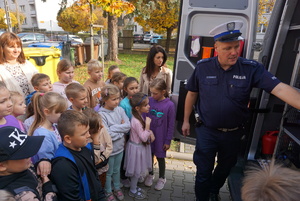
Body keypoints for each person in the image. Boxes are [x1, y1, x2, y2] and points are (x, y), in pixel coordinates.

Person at [181, 20, 300, 201]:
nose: (234, 52)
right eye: (228, 48)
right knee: (203, 171)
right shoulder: (203, 68)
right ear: (216, 48)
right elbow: (191, 94)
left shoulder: (251, 69)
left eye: (237, 46)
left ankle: (214, 190)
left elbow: (280, 89)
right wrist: (185, 120)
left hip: (233, 134)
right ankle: (202, 198)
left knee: (225, 167)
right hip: (207, 131)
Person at [50, 110, 106, 201]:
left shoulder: (86, 147)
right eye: (84, 134)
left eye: (88, 131)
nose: (89, 135)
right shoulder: (63, 165)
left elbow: (94, 176)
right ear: (68, 138)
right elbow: (71, 197)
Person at [0, 126, 57, 200]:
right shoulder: (21, 196)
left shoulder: (18, 167)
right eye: (24, 154)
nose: (30, 155)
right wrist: (47, 185)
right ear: (1, 166)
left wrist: (43, 161)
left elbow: (31, 169)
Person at [98, 84, 130, 201]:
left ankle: (117, 188)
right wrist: (121, 128)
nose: (117, 101)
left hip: (120, 148)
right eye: (114, 99)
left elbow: (128, 125)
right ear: (105, 99)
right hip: (109, 151)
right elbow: (107, 135)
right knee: (108, 172)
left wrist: (114, 128)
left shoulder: (120, 110)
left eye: (118, 98)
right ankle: (108, 191)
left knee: (116, 170)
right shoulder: (101, 115)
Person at [28, 92, 67, 179]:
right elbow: (47, 161)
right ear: (46, 112)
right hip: (53, 174)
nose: (63, 115)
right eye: (60, 112)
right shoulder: (42, 134)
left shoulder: (54, 126)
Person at [145, 78, 175, 190]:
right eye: (151, 92)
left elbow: (171, 125)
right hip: (149, 136)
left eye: (155, 93)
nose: (152, 95)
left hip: (161, 137)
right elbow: (144, 115)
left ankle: (162, 177)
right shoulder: (149, 100)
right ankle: (150, 174)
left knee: (160, 157)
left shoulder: (170, 105)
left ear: (163, 92)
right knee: (149, 155)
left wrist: (168, 141)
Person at [124, 92, 155, 199]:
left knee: (137, 171)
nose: (149, 106)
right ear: (137, 108)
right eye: (146, 105)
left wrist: (150, 132)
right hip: (136, 149)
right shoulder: (136, 121)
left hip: (139, 148)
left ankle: (134, 186)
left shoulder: (138, 116)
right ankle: (132, 190)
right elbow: (143, 137)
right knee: (136, 171)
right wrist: (148, 126)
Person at [0, 32, 38, 97]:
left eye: (18, 47)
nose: (16, 50)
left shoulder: (26, 64)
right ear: (2, 48)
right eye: (11, 47)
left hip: (33, 105)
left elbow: (39, 81)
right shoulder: (1, 69)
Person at [82, 108, 113, 188]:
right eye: (99, 125)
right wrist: (95, 140)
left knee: (101, 184)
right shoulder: (85, 139)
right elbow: (95, 160)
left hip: (102, 166)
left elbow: (109, 146)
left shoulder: (102, 129)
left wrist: (102, 158)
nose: (102, 126)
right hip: (91, 171)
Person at [119, 77, 140, 187]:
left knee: (135, 155)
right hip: (127, 134)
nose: (135, 90)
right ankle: (123, 176)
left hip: (138, 133)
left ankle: (134, 173)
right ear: (125, 89)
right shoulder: (123, 104)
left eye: (136, 87)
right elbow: (124, 120)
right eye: (132, 88)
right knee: (126, 155)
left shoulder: (139, 99)